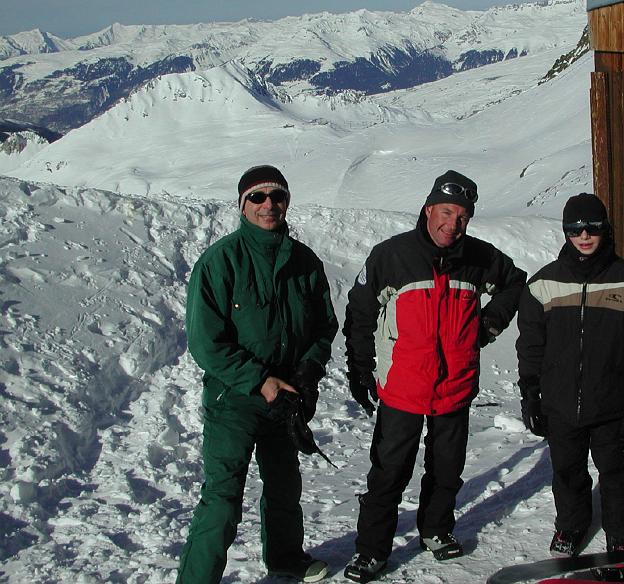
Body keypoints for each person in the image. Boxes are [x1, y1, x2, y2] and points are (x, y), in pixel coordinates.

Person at [342, 170, 526, 582]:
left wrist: (488, 324)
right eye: (446, 212)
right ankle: (372, 551)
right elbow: (359, 312)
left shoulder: (479, 258)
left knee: (446, 469)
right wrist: (360, 366)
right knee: (388, 474)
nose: (452, 223)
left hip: (455, 387)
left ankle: (436, 530)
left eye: (462, 216)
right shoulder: (393, 256)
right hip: (403, 388)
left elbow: (515, 284)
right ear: (428, 210)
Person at [176, 165, 338, 584]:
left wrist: (308, 370)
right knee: (222, 496)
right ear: (242, 205)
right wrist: (258, 380)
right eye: (258, 197)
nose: (269, 205)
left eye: (277, 196)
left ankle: (285, 558)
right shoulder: (220, 261)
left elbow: (323, 326)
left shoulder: (304, 262)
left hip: (285, 398)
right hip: (235, 399)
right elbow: (205, 342)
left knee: (284, 486)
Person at [516, 192, 624, 572]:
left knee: (614, 470)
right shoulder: (543, 285)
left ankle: (621, 529)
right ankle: (571, 525)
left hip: (611, 402)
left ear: (605, 228)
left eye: (592, 227)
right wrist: (531, 394)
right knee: (566, 470)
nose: (584, 236)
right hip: (560, 401)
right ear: (566, 232)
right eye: (575, 229)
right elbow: (531, 345)